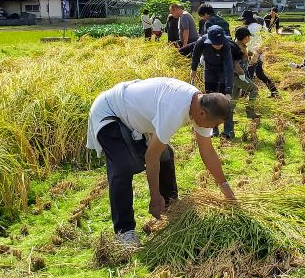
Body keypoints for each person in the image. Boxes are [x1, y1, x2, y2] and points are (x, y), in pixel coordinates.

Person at [86, 78, 236, 245]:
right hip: (109, 111)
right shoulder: (174, 109)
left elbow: (207, 150)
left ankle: (171, 209)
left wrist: (225, 186)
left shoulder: (201, 105)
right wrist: (154, 196)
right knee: (123, 166)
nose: (213, 128)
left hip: (133, 117)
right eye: (214, 124)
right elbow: (151, 157)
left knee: (166, 155)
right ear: (203, 114)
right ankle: (124, 231)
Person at [190, 25, 245, 139]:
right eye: (216, 43)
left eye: (220, 43)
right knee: (210, 100)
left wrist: (228, 91)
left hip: (223, 71)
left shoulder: (226, 45)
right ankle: (213, 129)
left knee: (225, 101)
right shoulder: (201, 42)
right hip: (209, 70)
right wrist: (193, 70)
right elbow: (195, 56)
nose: (219, 45)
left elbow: (228, 68)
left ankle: (228, 131)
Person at [237, 14, 279, 97]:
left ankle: (245, 94)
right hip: (260, 54)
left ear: (247, 20)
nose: (242, 21)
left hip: (253, 55)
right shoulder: (261, 27)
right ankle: (274, 91)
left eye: (243, 20)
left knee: (249, 75)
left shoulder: (249, 29)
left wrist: (249, 55)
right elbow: (268, 38)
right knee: (259, 74)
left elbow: (249, 44)